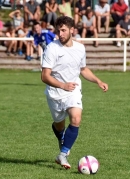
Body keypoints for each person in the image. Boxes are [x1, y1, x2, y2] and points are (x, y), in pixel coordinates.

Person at [41, 16, 108, 169]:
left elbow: (83, 69)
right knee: (59, 126)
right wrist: (62, 85)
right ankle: (61, 137)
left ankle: (62, 155)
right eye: (58, 31)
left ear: (72, 30)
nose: (60, 34)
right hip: (55, 93)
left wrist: (98, 81)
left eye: (64, 30)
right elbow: (44, 76)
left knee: (76, 119)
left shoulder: (80, 48)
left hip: (73, 90)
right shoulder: (52, 48)